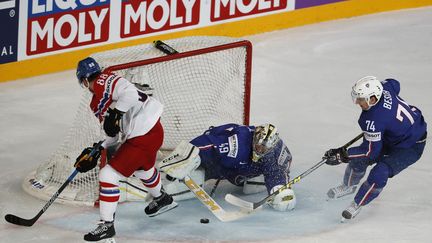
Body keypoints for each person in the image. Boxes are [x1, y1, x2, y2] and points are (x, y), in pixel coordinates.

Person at [74, 57, 177, 242]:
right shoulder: (96, 102)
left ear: (83, 81)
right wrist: (96, 149)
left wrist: (117, 112)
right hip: (149, 132)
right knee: (143, 168)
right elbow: (112, 134)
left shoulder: (102, 80)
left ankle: (106, 225)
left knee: (107, 175)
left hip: (144, 134)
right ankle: (162, 198)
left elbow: (130, 93)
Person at [324, 76, 427, 221]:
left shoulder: (372, 119)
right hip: (394, 135)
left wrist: (343, 155)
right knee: (359, 159)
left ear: (372, 99)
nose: (357, 102)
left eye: (361, 99)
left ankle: (357, 203)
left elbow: (371, 152)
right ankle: (348, 186)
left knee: (380, 172)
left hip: (410, 146)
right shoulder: (385, 89)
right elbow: (394, 83)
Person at [162, 123, 296, 211]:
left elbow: (277, 171)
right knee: (188, 181)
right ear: (254, 138)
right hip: (216, 163)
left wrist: (280, 190)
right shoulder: (237, 143)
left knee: (265, 181)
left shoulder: (276, 151)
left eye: (264, 149)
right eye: (258, 146)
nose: (260, 150)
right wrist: (190, 155)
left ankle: (248, 181)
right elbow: (209, 143)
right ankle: (157, 188)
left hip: (240, 171)